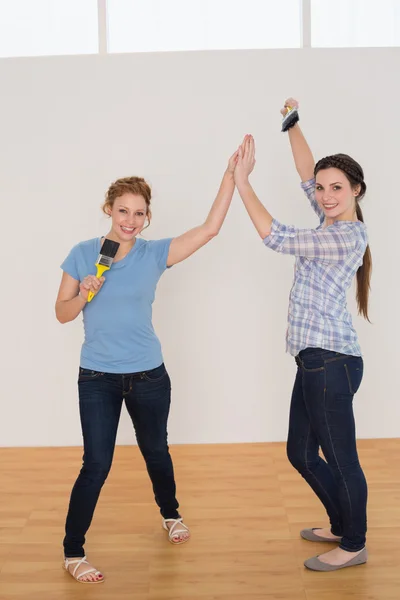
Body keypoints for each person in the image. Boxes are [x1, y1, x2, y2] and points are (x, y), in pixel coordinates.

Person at [55, 150, 238, 583]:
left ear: (147, 216)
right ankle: (72, 551)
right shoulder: (84, 254)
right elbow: (62, 313)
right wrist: (84, 293)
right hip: (97, 377)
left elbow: (210, 229)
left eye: (139, 213)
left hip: (149, 375)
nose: (130, 220)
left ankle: (170, 514)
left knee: (156, 449)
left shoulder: (155, 254)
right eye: (123, 211)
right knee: (96, 463)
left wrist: (231, 175)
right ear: (108, 210)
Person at [233, 99, 371, 572]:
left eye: (338, 188)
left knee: (340, 457)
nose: (326, 194)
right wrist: (292, 124)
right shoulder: (330, 219)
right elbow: (306, 170)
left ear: (356, 190)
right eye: (322, 188)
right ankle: (340, 520)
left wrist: (241, 183)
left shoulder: (343, 236)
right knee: (300, 452)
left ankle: (353, 543)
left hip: (331, 363)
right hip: (314, 359)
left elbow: (275, 236)